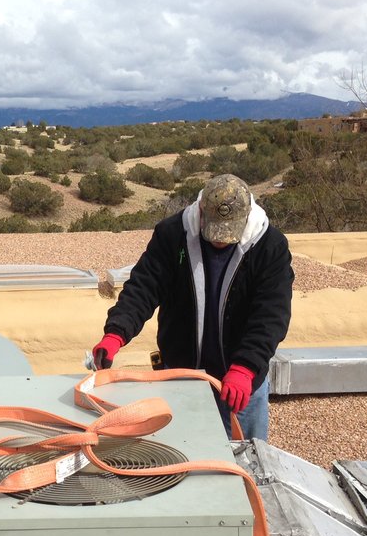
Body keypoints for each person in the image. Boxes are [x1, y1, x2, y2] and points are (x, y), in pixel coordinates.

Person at [92, 174, 292, 441]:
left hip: (241, 386)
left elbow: (271, 314)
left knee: (248, 464)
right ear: (200, 210)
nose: (219, 241)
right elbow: (144, 286)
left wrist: (246, 367)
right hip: (181, 376)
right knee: (183, 452)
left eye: (228, 234)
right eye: (214, 233)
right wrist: (116, 333)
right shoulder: (172, 235)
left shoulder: (270, 247)